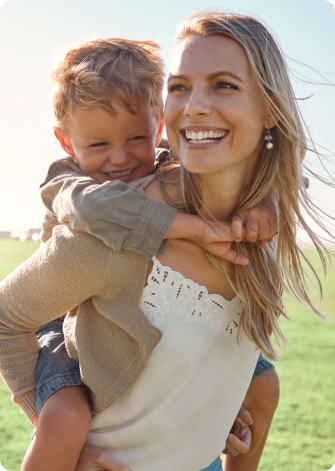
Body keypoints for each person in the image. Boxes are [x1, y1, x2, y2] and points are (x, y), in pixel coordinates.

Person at [0, 11, 324, 468]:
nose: (194, 106)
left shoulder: (262, 218)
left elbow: (286, 174)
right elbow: (11, 310)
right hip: (71, 337)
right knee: (65, 415)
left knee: (263, 383)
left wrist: (205, 409)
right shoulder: (102, 223)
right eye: (180, 86)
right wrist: (62, 439)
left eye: (224, 85)